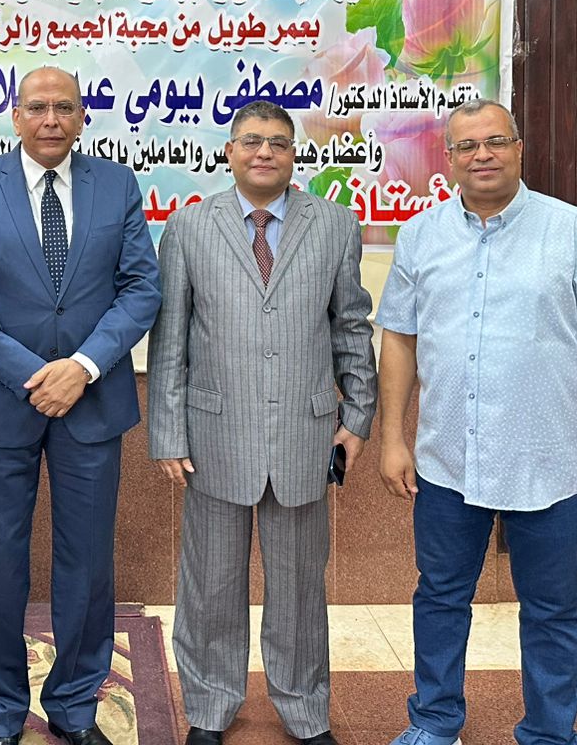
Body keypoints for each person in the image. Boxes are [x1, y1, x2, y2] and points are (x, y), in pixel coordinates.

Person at [375, 97, 577, 745]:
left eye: (495, 141)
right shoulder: (421, 235)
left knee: (552, 610)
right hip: (448, 462)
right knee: (440, 597)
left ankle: (549, 733)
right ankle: (435, 723)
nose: (482, 155)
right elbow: (399, 338)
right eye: (467, 145)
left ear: (519, 148)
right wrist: (393, 438)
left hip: (547, 464)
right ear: (449, 159)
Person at [147, 99, 377, 745]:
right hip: (214, 436)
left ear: (294, 153)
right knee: (210, 586)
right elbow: (171, 339)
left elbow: (351, 326)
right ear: (230, 151)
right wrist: (167, 432)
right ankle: (209, 709)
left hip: (306, 434)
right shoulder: (189, 227)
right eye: (251, 141)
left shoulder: (334, 224)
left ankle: (304, 711)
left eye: (278, 142)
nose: (264, 152)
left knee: (300, 590)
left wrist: (359, 416)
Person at [0, 66, 161, 745]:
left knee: (87, 564)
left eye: (63, 107)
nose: (50, 120)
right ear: (15, 116)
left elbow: (140, 288)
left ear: (81, 116)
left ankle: (73, 705)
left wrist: (83, 367)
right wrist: (35, 375)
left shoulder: (116, 185)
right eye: (37, 107)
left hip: (92, 404)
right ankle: (2, 713)